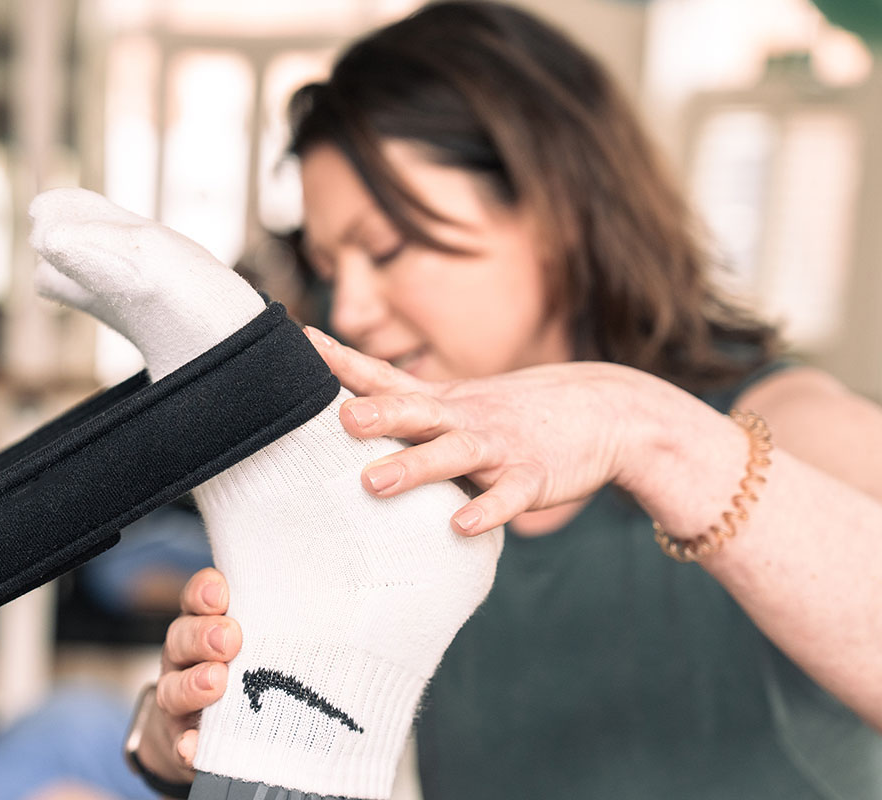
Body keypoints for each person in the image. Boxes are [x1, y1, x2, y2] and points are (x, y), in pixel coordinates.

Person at [113, 1, 882, 798]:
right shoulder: (406, 477)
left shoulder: (793, 424)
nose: (354, 310)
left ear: (558, 210)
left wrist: (645, 430)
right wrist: (173, 738)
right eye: (332, 269)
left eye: (387, 249)